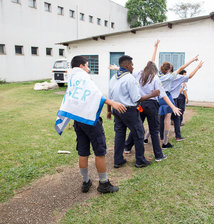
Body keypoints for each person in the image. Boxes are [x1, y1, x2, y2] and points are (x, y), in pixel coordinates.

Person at [66, 56, 127, 194]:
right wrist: (112, 103)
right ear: (81, 66)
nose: (89, 69)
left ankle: (86, 181)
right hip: (90, 119)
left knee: (83, 152)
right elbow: (95, 94)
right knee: (99, 152)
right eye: (87, 66)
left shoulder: (72, 78)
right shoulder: (83, 77)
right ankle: (104, 184)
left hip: (78, 119)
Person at [117, 40, 181, 161]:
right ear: (155, 70)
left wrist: (155, 48)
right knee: (154, 130)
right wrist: (173, 107)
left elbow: (147, 64)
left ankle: (127, 147)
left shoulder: (139, 73)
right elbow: (163, 95)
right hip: (151, 105)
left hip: (140, 104)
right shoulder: (156, 78)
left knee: (137, 126)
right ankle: (158, 155)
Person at [107, 55, 160, 168]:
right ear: (127, 65)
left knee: (119, 134)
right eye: (132, 65)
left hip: (116, 110)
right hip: (128, 110)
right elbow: (137, 98)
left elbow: (109, 97)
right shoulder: (130, 78)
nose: (133, 67)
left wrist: (109, 111)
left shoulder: (114, 78)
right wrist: (152, 94)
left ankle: (118, 160)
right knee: (139, 133)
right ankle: (140, 160)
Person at [158, 54, 199, 149]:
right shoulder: (174, 77)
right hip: (171, 99)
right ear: (170, 70)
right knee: (174, 118)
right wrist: (196, 63)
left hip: (161, 98)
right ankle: (173, 138)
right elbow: (186, 71)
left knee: (161, 118)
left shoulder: (158, 76)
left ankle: (160, 136)